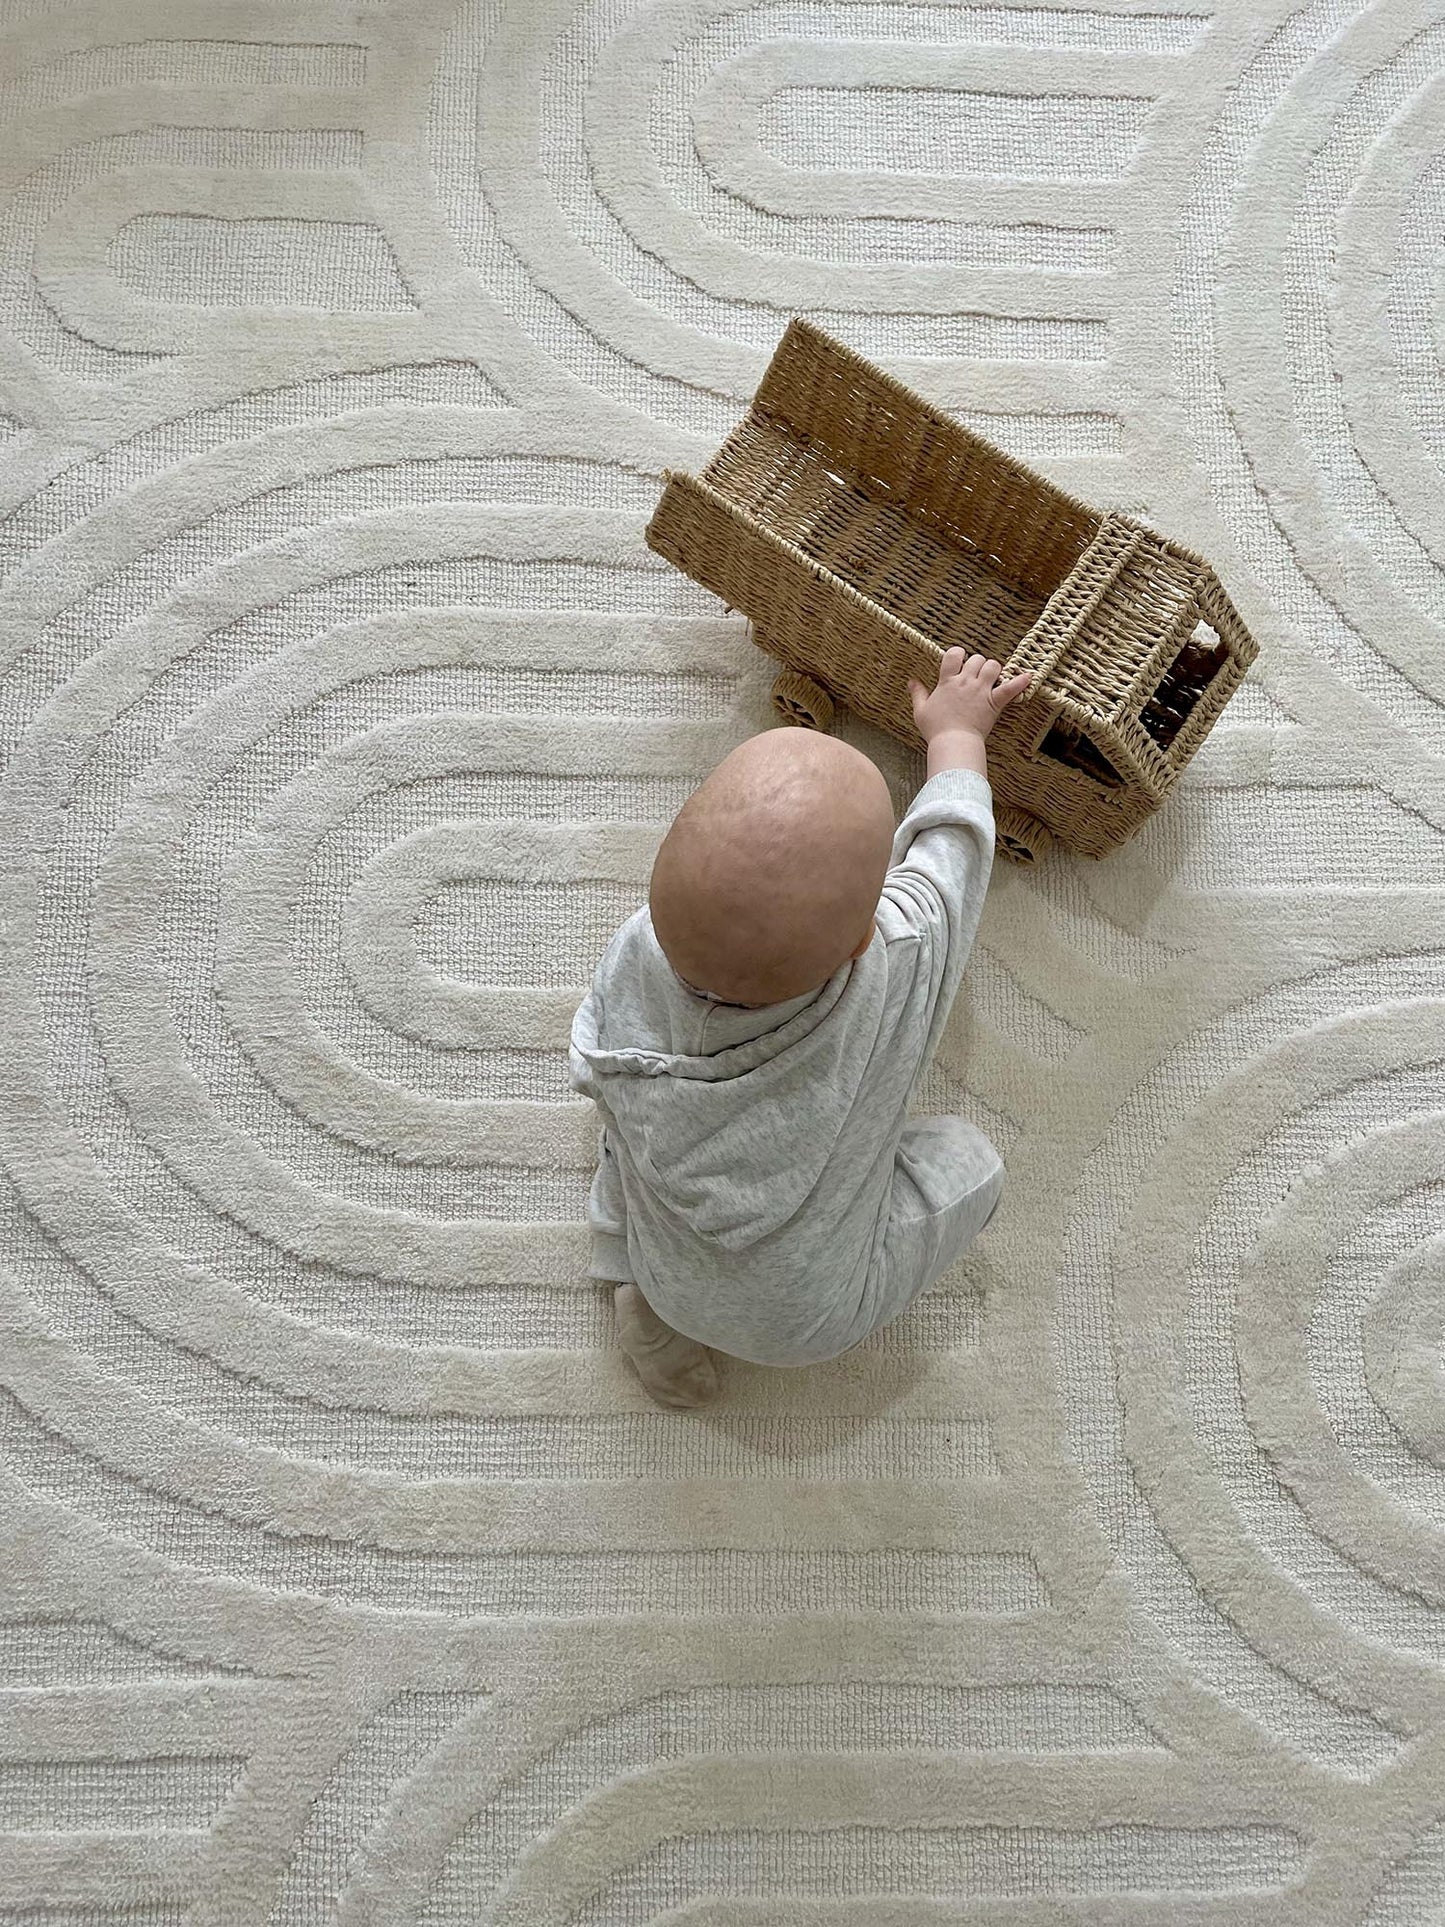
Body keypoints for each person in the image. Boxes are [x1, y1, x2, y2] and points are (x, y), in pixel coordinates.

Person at [567, 648, 1031, 1407]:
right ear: (859, 939)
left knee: (628, 1119)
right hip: (806, 1317)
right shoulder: (892, 965)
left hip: (666, 1265)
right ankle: (663, 1294)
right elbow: (953, 854)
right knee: (971, 1163)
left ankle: (641, 1294)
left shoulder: (635, 951)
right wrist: (956, 735)